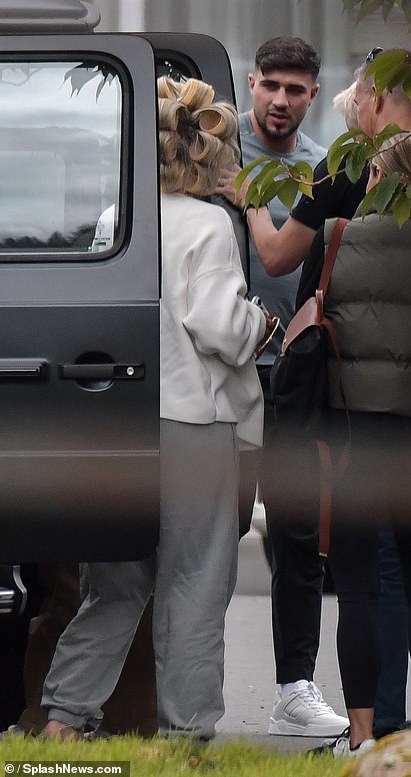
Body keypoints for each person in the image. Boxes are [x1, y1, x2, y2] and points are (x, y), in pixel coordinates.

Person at [220, 48, 411, 755]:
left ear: (377, 99)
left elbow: (283, 267)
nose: (354, 107)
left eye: (359, 96)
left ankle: (377, 733)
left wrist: (245, 198)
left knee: (372, 574)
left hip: (354, 414)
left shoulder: (338, 177)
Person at [40, 76, 270, 741]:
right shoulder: (212, 225)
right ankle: (187, 735)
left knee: (114, 585)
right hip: (196, 427)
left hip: (125, 421)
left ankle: (62, 717)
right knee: (194, 586)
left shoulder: (120, 221)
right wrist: (263, 323)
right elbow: (219, 326)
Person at [294, 132, 411, 754]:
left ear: (382, 179)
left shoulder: (336, 237)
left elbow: (309, 321)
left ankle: (366, 735)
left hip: (356, 436)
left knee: (361, 588)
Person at [229, 36, 349, 738]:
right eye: (270, 85)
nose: (279, 101)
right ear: (251, 83)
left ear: (312, 93)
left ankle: (294, 687)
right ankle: (177, 687)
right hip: (220, 373)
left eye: (294, 90)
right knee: (212, 535)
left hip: (296, 376)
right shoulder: (217, 153)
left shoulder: (324, 168)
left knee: (300, 535)